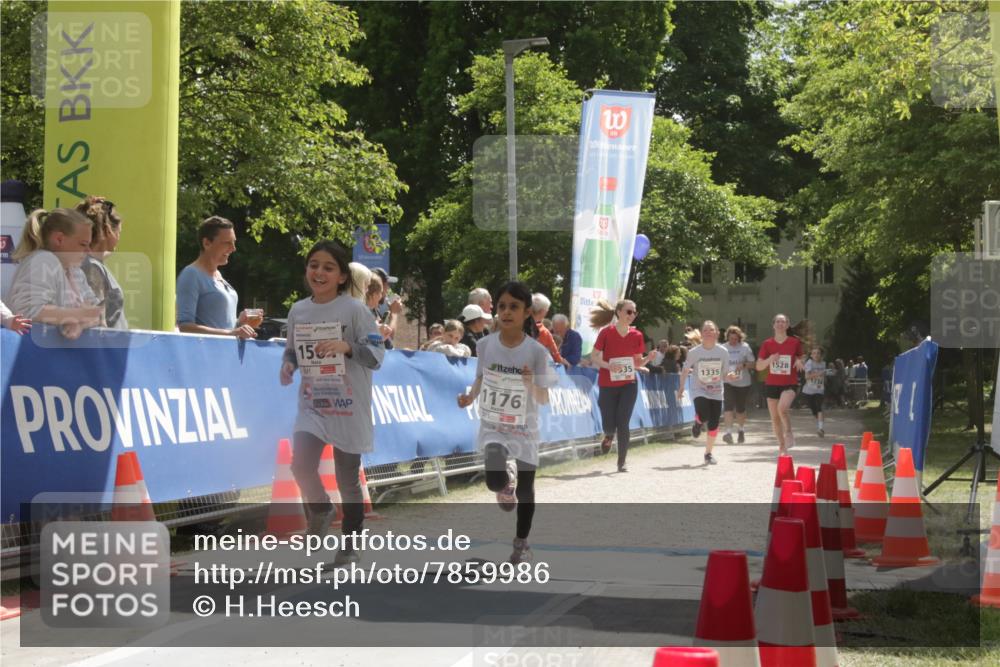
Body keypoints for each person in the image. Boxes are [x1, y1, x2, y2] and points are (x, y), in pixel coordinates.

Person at [280, 241, 385, 566]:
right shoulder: (298, 310)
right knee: (301, 465)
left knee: (347, 479)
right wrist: (288, 365)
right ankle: (322, 508)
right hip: (313, 403)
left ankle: (350, 544)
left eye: (328, 267)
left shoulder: (356, 311)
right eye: (314, 265)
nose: (319, 272)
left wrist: (347, 347)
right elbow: (292, 349)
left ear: (341, 277)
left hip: (348, 405)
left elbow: (377, 355)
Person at [457, 282, 556, 564]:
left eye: (514, 306)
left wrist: (530, 383)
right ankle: (504, 481)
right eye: (502, 306)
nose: (507, 312)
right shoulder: (485, 345)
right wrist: (470, 396)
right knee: (494, 481)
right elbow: (480, 377)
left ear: (527, 312)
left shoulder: (537, 352)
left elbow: (544, 398)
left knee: (526, 491)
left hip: (525, 427)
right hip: (494, 425)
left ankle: (521, 542)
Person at [9, 208, 103, 339]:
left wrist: (80, 324)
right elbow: (27, 311)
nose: (88, 251)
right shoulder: (43, 260)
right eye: (83, 244)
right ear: (59, 239)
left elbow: (98, 313)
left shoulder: (76, 272)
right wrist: (78, 315)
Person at [590, 299, 653, 472]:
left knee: (623, 422)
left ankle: (622, 461)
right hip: (607, 383)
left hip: (628, 384)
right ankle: (609, 435)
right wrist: (608, 365)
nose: (632, 315)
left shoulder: (637, 335)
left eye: (634, 312)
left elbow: (637, 362)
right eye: (628, 311)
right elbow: (594, 356)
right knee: (609, 424)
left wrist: (648, 359)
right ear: (619, 312)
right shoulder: (606, 332)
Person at [176, 216, 256, 339]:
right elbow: (185, 327)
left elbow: (222, 327)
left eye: (234, 242)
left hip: (225, 350)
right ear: (206, 243)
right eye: (227, 243)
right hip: (205, 351)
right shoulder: (191, 274)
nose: (233, 248)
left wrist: (240, 323)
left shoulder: (218, 275)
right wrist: (232, 333)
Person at [676, 322, 732, 465]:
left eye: (711, 330)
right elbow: (685, 370)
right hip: (699, 389)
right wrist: (681, 387)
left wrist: (730, 376)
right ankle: (699, 421)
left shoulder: (723, 352)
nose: (708, 332)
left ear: (717, 333)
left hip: (716, 391)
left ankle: (708, 453)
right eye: (705, 330)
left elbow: (725, 373)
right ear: (701, 334)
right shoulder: (694, 352)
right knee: (704, 413)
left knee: (713, 424)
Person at [756, 314, 807, 454]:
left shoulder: (794, 342)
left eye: (783, 321)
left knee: (782, 408)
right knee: (775, 419)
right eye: (777, 321)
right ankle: (782, 446)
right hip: (772, 384)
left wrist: (799, 361)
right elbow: (759, 366)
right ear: (773, 325)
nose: (780, 324)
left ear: (787, 325)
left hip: (789, 383)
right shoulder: (767, 344)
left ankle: (789, 432)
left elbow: (801, 357)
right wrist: (770, 359)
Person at [76, 196, 128, 330]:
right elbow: (97, 320)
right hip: (106, 341)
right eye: (119, 232)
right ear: (108, 230)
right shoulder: (91, 267)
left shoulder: (91, 263)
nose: (119, 238)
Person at [721, 326, 756, 444]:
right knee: (728, 406)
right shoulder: (723, 348)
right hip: (728, 381)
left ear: (740, 338)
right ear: (727, 337)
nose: (733, 341)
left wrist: (744, 365)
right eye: (731, 338)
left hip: (743, 383)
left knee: (740, 408)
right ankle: (728, 433)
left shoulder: (745, 347)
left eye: (736, 339)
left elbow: (753, 364)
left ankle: (741, 430)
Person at [371, 267, 402, 350]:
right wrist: (394, 313)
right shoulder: (367, 310)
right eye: (387, 285)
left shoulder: (374, 309)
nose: (388, 289)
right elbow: (388, 337)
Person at [530, 293, 565, 365]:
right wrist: (562, 362)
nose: (547, 311)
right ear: (542, 311)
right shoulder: (544, 332)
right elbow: (556, 355)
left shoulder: (517, 325)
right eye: (547, 309)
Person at [803, 347, 827, 437]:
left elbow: (824, 376)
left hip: (819, 390)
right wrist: (818, 374)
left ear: (821, 355)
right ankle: (819, 420)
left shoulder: (823, 363)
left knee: (819, 407)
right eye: (814, 353)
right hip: (808, 391)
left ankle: (820, 429)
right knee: (814, 410)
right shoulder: (809, 363)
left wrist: (827, 374)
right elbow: (806, 377)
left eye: (818, 353)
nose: (816, 355)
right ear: (811, 355)